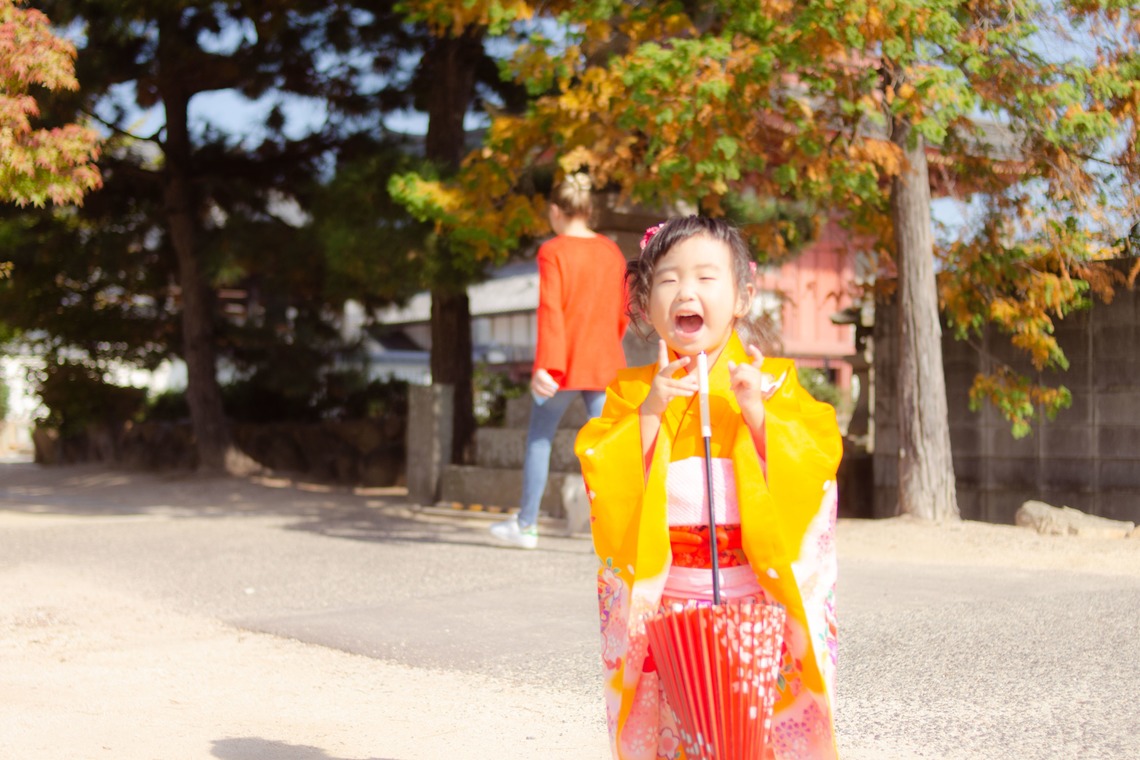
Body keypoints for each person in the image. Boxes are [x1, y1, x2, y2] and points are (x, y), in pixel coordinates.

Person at [575, 216, 843, 759]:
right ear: (647, 305)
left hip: (753, 605)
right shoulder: (632, 393)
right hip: (669, 606)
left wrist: (758, 415)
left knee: (752, 734)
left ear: (743, 297)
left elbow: (816, 462)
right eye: (668, 280)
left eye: (705, 277)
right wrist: (651, 410)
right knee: (679, 733)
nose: (686, 292)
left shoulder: (772, 385)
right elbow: (605, 472)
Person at [489, 173, 629, 549]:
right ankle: (620, 533)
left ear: (556, 211)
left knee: (540, 439)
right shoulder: (611, 251)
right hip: (604, 363)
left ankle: (527, 526)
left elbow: (550, 310)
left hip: (564, 366)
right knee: (608, 449)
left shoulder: (552, 251)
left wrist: (544, 367)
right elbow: (623, 311)